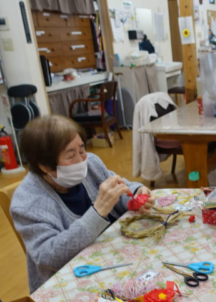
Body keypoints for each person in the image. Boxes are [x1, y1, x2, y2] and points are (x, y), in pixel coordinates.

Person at [11, 116, 155, 292]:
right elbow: (49, 256)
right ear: (44, 166)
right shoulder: (28, 203)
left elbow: (120, 187)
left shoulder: (90, 163)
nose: (81, 161)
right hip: (71, 281)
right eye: (70, 156)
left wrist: (136, 194)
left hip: (113, 256)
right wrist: (97, 212)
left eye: (82, 150)